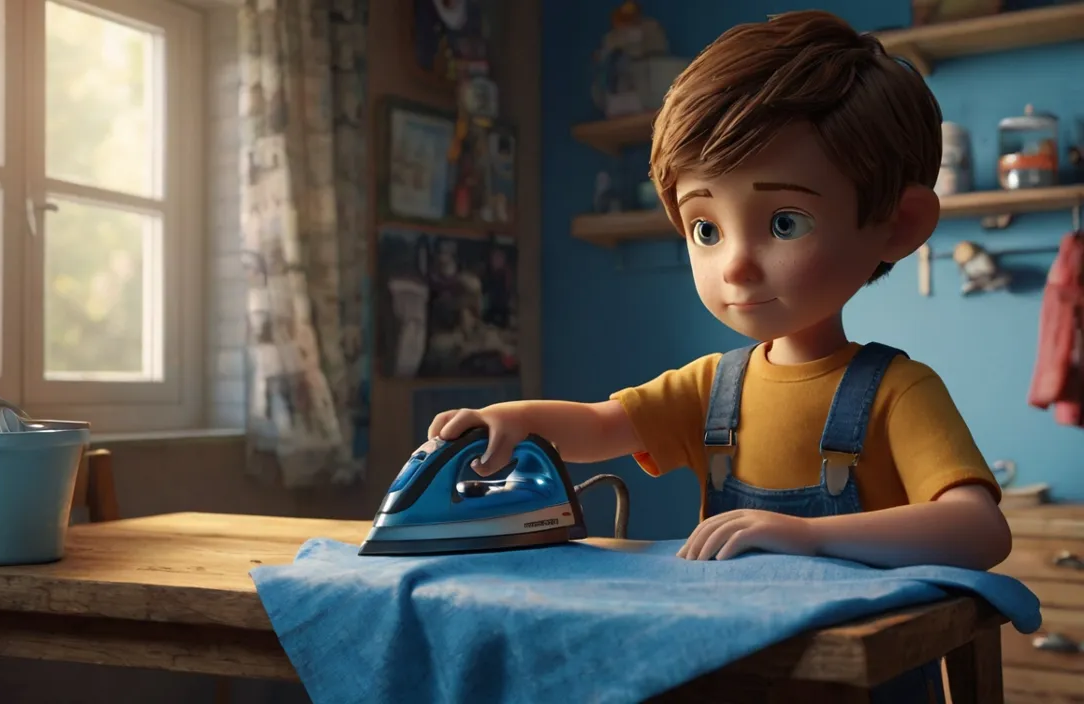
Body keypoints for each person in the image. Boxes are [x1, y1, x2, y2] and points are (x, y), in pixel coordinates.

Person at [427, 8, 1012, 585]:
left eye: (786, 223)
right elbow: (600, 426)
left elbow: (980, 530)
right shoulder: (713, 389)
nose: (734, 264)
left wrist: (807, 537)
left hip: (860, 666)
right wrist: (509, 420)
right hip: (734, 657)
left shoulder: (898, 393)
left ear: (897, 224)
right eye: (706, 229)